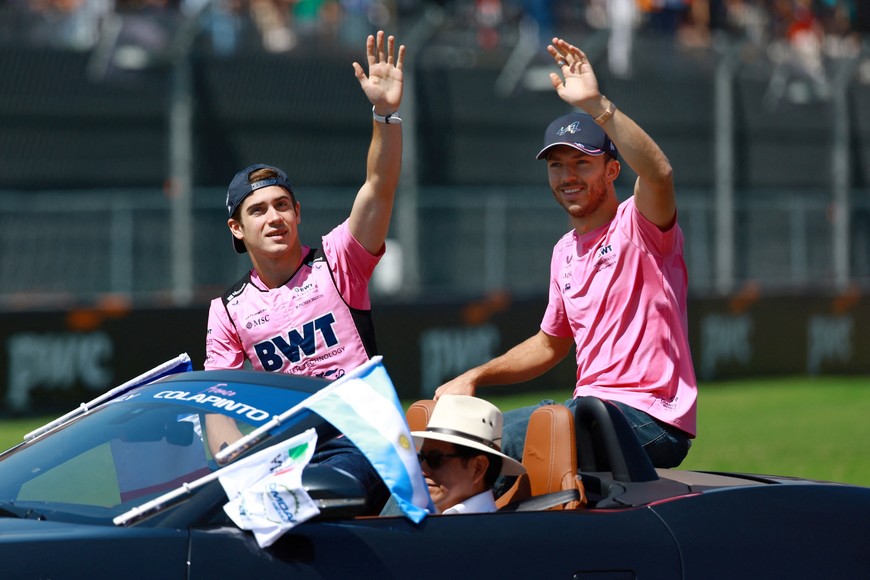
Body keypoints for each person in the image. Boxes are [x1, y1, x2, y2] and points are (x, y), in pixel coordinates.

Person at [435, 37, 697, 477]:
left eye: (581, 163)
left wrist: (598, 106)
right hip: (591, 413)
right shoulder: (563, 252)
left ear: (612, 170)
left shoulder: (640, 223)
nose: (567, 176)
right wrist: (475, 376)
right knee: (450, 434)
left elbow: (659, 173)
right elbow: (550, 343)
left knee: (501, 440)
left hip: (649, 420)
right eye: (556, 165)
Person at [203, 30, 406, 510]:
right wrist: (234, 469)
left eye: (282, 205)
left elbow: (380, 184)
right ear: (237, 229)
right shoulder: (228, 311)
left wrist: (385, 115)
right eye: (258, 211)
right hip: (290, 452)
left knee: (310, 499)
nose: (273, 217)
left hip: (364, 442)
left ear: (298, 213)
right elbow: (218, 406)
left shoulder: (339, 261)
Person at [411, 395, 525, 514]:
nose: (422, 470)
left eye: (435, 459)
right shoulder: (412, 518)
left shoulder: (497, 531)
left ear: (478, 467)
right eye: (420, 458)